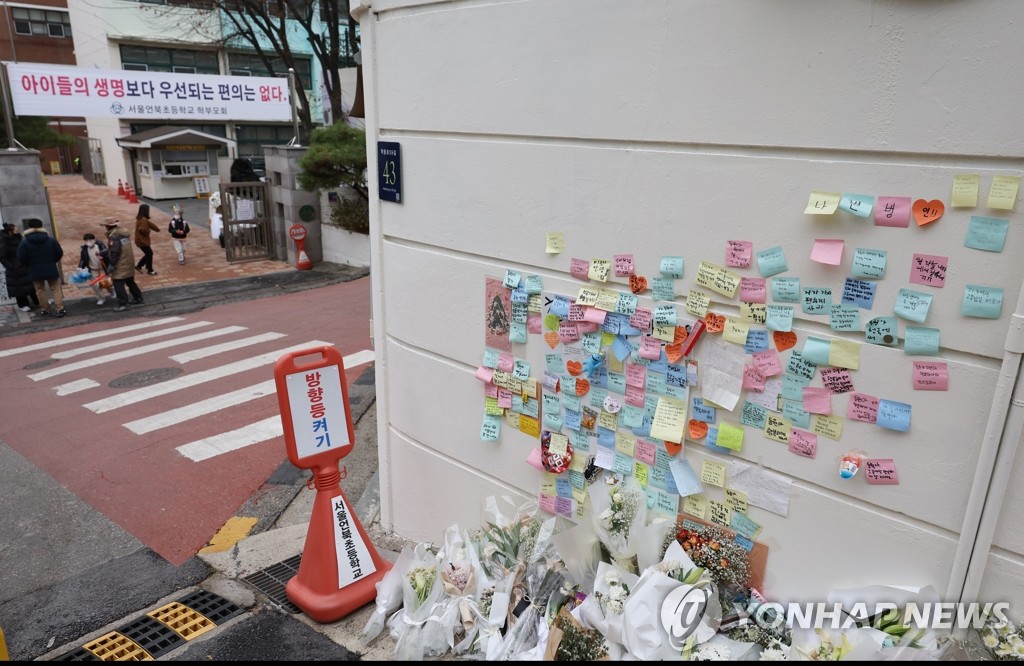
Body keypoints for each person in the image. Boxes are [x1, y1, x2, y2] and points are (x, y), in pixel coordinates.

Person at [16, 218, 66, 318]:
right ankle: (59, 309)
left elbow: (21, 257)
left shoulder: (25, 242)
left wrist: (29, 264)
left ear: (29, 227)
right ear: (41, 226)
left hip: (34, 269)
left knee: (39, 290)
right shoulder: (51, 240)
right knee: (55, 289)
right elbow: (59, 253)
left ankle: (45, 310)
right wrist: (52, 261)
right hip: (50, 267)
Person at [101, 219, 144, 312]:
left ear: (108, 227)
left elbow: (115, 252)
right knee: (129, 281)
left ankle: (124, 303)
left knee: (118, 283)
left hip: (121, 263)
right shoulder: (123, 233)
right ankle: (138, 298)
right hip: (129, 261)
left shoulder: (114, 236)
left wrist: (111, 264)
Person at [0, 222, 39, 311]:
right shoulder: (4, 241)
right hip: (15, 269)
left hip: (24, 266)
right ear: (10, 231)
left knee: (30, 286)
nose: (17, 229)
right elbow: (2, 257)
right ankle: (23, 305)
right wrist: (12, 266)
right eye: (15, 228)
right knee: (19, 288)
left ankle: (37, 302)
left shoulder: (19, 237)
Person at [78, 232, 115, 306]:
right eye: (86, 241)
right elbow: (83, 259)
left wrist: (103, 257)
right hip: (93, 270)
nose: (89, 242)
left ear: (94, 240)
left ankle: (112, 292)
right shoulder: (85, 250)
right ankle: (101, 298)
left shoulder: (100, 246)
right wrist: (80, 267)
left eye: (90, 240)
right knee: (95, 285)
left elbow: (108, 255)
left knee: (106, 283)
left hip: (102, 269)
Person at [133, 203, 160, 275]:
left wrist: (157, 229)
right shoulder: (143, 219)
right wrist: (148, 232)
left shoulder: (141, 218)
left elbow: (150, 224)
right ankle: (150, 270)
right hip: (142, 240)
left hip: (139, 240)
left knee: (148, 253)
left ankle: (139, 266)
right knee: (149, 253)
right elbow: (143, 230)